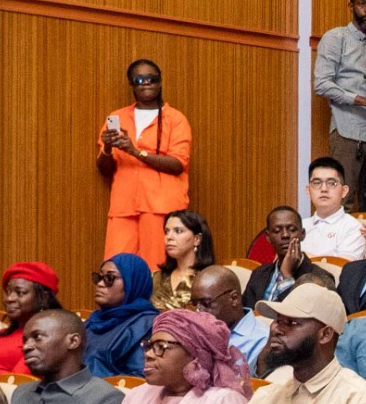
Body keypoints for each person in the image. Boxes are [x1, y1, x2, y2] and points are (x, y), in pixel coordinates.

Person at [91, 308, 251, 404]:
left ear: (196, 354)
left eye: (161, 347)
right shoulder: (137, 394)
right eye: (149, 346)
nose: (148, 354)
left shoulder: (224, 402)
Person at [99, 59, 193, 267]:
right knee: (117, 269)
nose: (146, 83)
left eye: (152, 79)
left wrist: (134, 151)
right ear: (132, 84)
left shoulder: (175, 119)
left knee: (156, 269)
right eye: (139, 79)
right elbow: (105, 169)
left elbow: (177, 164)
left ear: (160, 83)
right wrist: (107, 148)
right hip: (123, 208)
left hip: (160, 207)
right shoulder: (116, 117)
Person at [10, 310, 126, 404]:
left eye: (37, 337)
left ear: (73, 341)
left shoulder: (106, 399)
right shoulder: (21, 392)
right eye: (25, 340)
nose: (26, 347)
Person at [313, 0, 366, 203]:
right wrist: (361, 100)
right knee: (343, 201)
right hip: (347, 131)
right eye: (362, 4)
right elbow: (321, 84)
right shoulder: (336, 38)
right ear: (351, 6)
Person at [0, 262, 61, 379]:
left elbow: (20, 380)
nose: (9, 299)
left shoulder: (45, 340)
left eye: (20, 292)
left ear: (43, 297)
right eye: (8, 292)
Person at [241, 208, 337, 313]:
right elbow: (246, 313)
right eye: (277, 231)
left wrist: (286, 275)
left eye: (292, 229)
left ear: (302, 234)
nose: (285, 235)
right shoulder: (259, 273)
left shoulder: (320, 277)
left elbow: (306, 317)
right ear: (268, 237)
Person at [82, 253, 159, 378]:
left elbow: (138, 377)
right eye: (99, 278)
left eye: (109, 278)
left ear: (132, 283)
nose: (100, 284)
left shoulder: (147, 325)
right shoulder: (92, 321)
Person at [192, 264, 268, 371]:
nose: (198, 311)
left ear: (234, 298)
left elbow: (250, 385)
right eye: (195, 304)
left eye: (206, 303)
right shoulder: (196, 331)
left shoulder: (261, 340)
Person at [299, 157, 366, 260]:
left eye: (332, 183)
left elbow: (342, 270)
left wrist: (301, 258)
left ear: (344, 191)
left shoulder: (353, 228)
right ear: (308, 190)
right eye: (317, 183)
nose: (323, 189)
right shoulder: (299, 226)